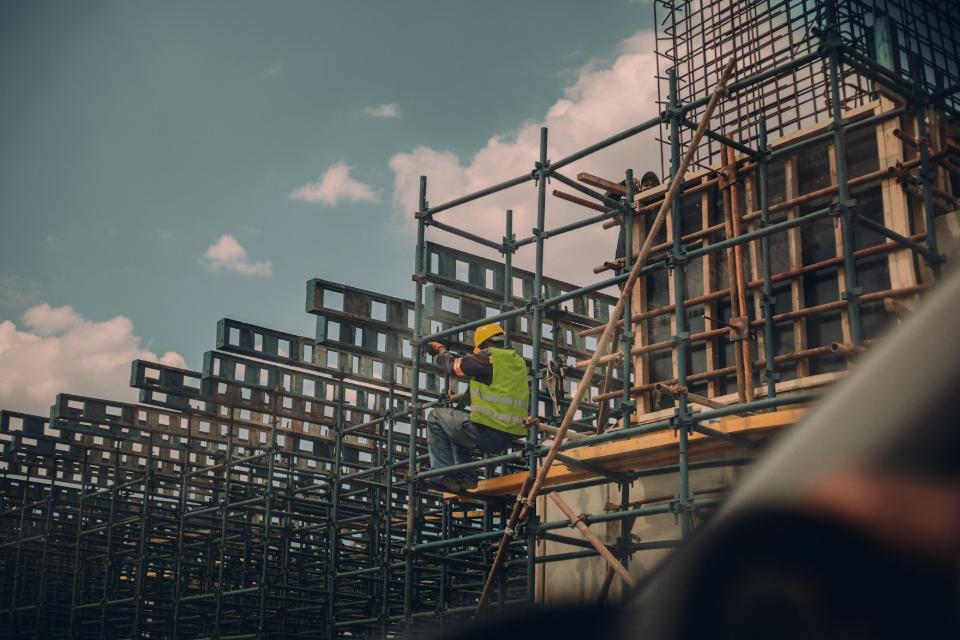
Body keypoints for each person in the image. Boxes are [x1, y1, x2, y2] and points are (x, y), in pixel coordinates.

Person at [424, 323, 530, 493]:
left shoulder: (488, 358)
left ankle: (441, 475)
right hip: (507, 436)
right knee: (459, 428)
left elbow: (453, 366)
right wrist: (457, 399)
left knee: (435, 416)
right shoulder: (518, 363)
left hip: (488, 431)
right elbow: (496, 390)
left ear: (486, 344)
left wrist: (440, 348)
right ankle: (466, 479)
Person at [614, 171, 661, 287]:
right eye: (646, 184)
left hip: (656, 269)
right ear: (640, 188)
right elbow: (608, 198)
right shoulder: (631, 206)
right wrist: (625, 184)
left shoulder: (664, 206)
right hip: (627, 269)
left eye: (653, 184)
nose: (649, 186)